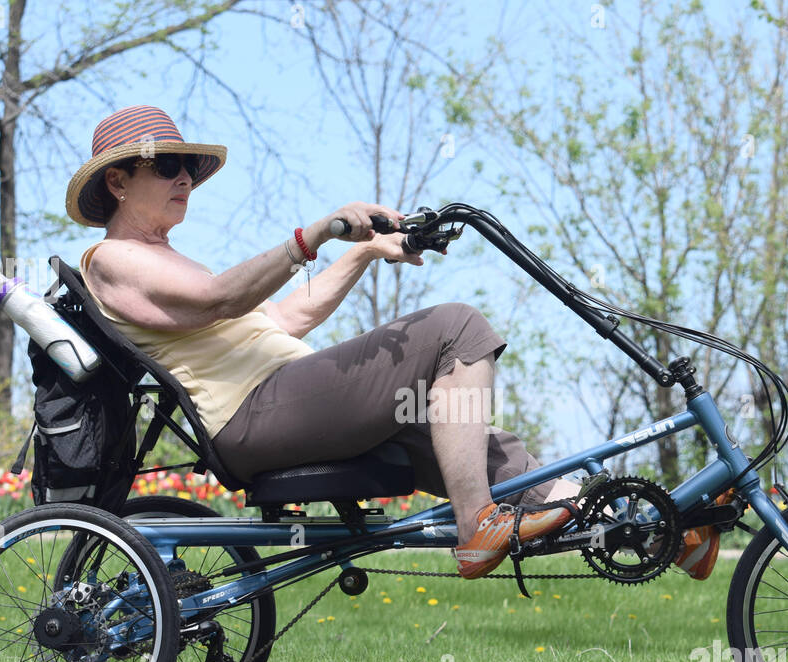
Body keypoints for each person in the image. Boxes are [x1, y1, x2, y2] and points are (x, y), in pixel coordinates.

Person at [65, 106, 583, 578]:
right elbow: (218, 299)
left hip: (287, 406)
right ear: (118, 181)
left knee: (482, 444)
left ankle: (634, 521)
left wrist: (363, 252)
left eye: (189, 168)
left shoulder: (169, 259)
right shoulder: (112, 259)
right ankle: (477, 525)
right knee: (454, 327)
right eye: (166, 167)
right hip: (252, 413)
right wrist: (314, 234)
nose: (185, 178)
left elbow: (287, 319)